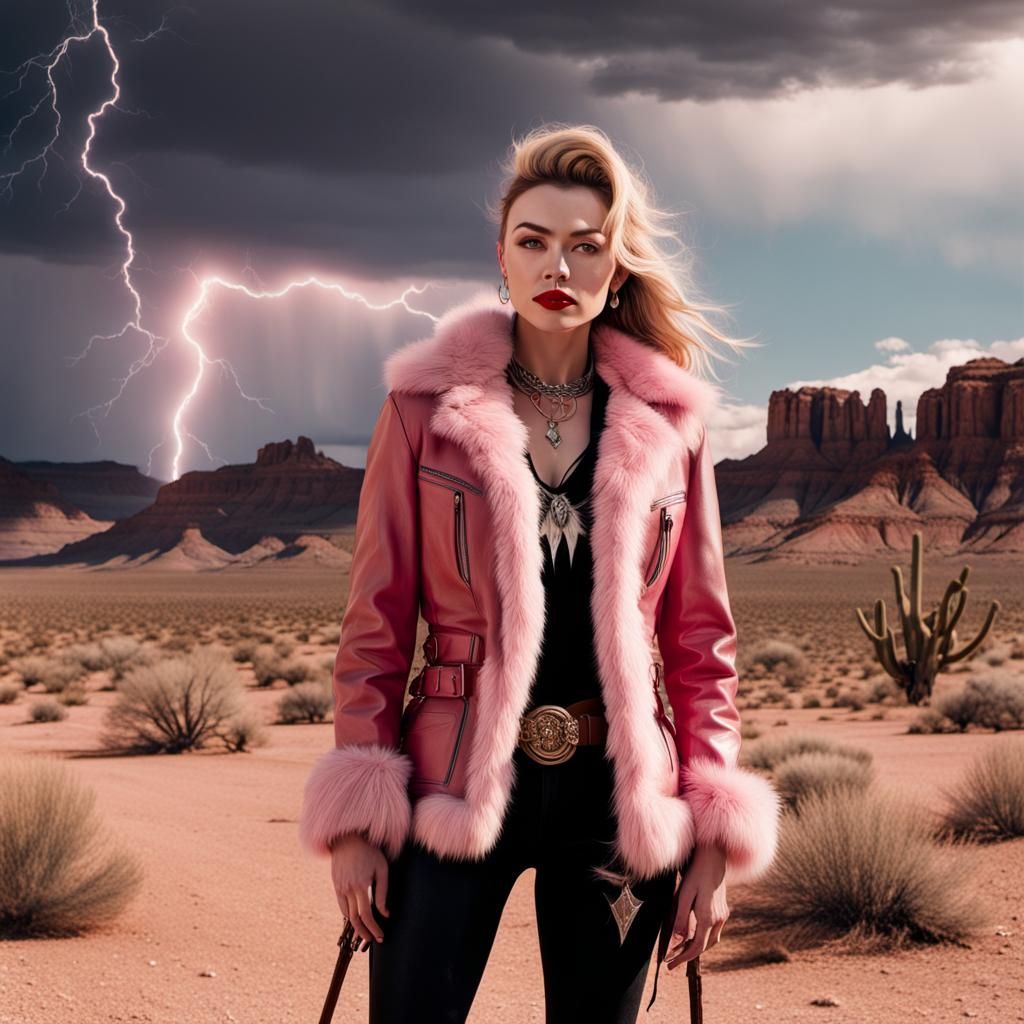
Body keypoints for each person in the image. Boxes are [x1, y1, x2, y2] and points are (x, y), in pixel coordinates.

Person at [299, 123, 781, 1023]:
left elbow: (701, 642)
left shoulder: (671, 425)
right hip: (450, 782)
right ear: (502, 259)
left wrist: (714, 833)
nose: (557, 265)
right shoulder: (421, 413)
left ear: (617, 269)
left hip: (615, 798)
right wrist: (358, 818)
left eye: (585, 246)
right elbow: (375, 624)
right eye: (533, 241)